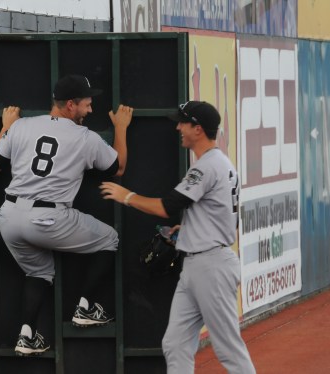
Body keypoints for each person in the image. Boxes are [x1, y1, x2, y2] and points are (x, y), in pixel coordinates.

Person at [100, 101, 256, 373]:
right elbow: (215, 211)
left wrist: (126, 197)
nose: (178, 127)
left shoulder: (207, 166)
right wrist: (189, 228)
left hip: (211, 266)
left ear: (198, 129)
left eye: (183, 123)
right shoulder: (217, 163)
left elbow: (166, 206)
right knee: (175, 343)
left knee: (228, 348)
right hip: (199, 264)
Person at [0, 74, 133, 356]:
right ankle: (86, 307)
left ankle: (27, 335)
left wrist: (6, 127)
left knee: (39, 271)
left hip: (9, 217)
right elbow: (118, 168)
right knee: (109, 238)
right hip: (48, 218)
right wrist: (122, 128)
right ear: (70, 104)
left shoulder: (21, 126)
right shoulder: (84, 136)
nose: (90, 110)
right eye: (87, 105)